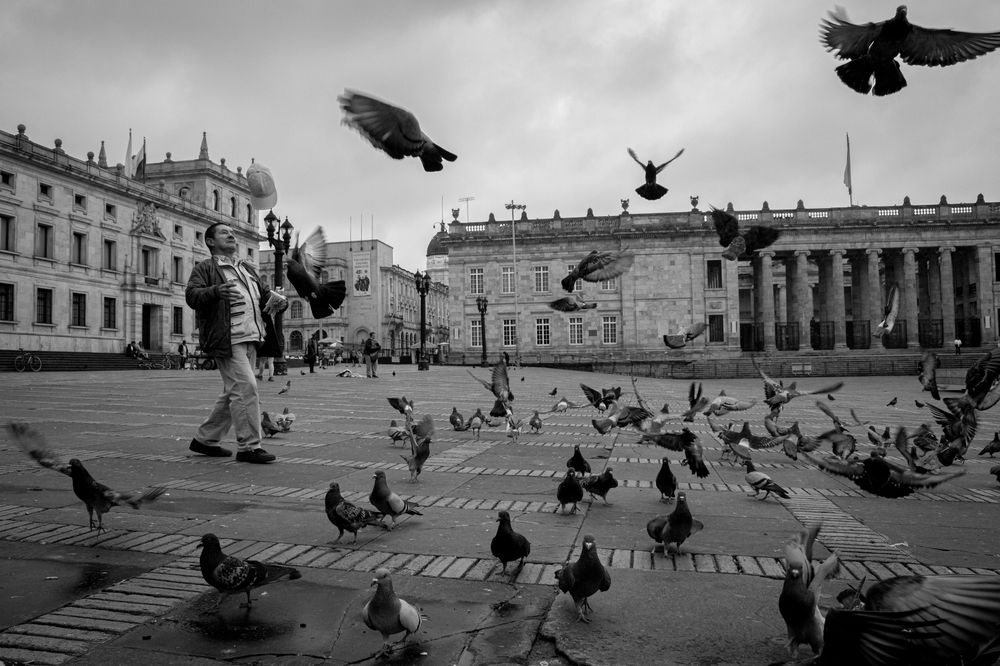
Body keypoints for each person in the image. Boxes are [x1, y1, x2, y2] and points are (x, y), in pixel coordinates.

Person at [185, 222, 287, 464]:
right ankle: (249, 446)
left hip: (252, 336)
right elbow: (191, 295)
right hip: (228, 338)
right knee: (245, 389)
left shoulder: (246, 269)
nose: (231, 234)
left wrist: (277, 301)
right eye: (224, 232)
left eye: (232, 232)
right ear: (210, 241)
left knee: (236, 391)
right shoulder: (205, 268)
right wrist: (216, 291)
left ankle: (205, 439)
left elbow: (264, 296)